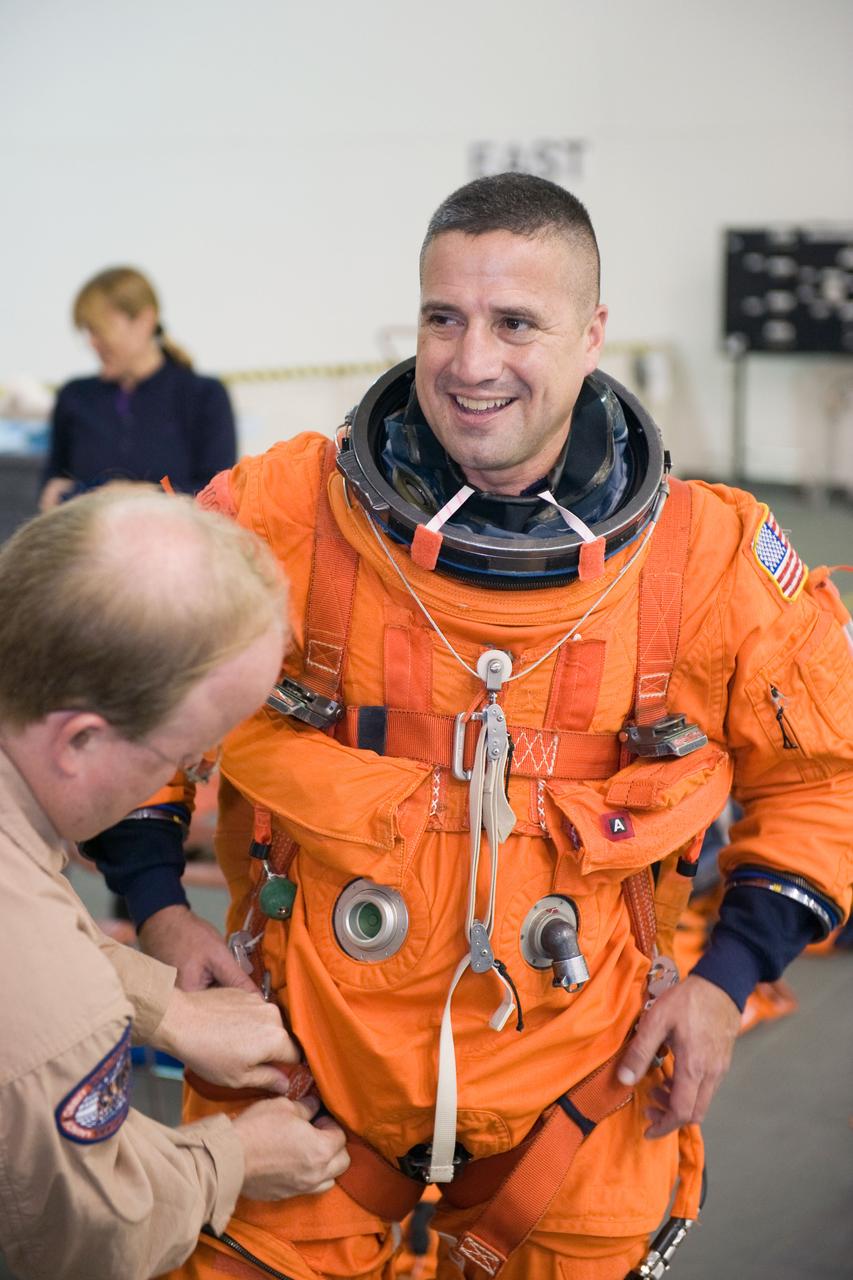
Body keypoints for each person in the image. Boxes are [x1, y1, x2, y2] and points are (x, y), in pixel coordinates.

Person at [88, 176, 853, 1280]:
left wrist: (726, 980)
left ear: (593, 335)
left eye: (515, 322)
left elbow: (824, 776)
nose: (470, 360)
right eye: (442, 316)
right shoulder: (289, 512)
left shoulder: (704, 558)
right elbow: (125, 692)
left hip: (586, 1099)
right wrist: (159, 909)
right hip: (297, 1077)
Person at [0, 486, 349, 1280]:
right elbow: (86, 1240)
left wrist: (167, 1010)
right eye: (183, 758)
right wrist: (230, 1156)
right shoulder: (53, 1015)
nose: (192, 775)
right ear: (80, 740)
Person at [39, 266, 237, 511]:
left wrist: (140, 494)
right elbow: (53, 483)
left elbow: (218, 497)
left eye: (100, 329)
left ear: (145, 321)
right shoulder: (75, 396)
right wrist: (52, 495)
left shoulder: (205, 396)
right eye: (88, 331)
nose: (92, 342)